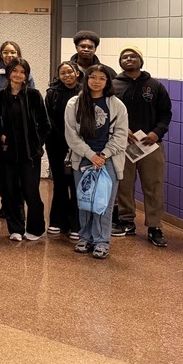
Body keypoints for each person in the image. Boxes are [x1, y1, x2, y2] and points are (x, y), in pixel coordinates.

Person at [64, 65, 128, 259]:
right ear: (86, 79)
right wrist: (91, 155)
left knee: (103, 204)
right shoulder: (74, 103)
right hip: (83, 158)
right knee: (85, 202)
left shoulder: (116, 104)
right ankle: (85, 237)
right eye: (93, 77)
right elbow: (71, 135)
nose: (97, 81)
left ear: (107, 81)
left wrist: (104, 155)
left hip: (107, 160)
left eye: (102, 78)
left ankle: (101, 241)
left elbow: (121, 135)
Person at [112, 46, 173, 247]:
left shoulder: (155, 86)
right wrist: (122, 130)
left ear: (140, 60)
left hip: (150, 146)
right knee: (124, 184)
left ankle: (154, 227)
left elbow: (166, 114)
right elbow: (107, 113)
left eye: (133, 56)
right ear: (120, 62)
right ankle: (126, 221)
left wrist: (157, 133)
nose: (129, 59)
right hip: (123, 144)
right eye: (124, 57)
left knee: (153, 186)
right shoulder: (113, 86)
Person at [0, 58, 50, 242]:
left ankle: (35, 228)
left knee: (31, 191)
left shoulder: (34, 95)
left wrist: (37, 144)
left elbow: (45, 124)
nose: (18, 75)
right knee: (10, 191)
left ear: (27, 75)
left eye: (23, 72)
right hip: (7, 153)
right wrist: (1, 137)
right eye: (15, 71)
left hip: (30, 154)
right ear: (9, 72)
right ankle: (16, 228)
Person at [44, 61, 83, 239]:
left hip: (80, 145)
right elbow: (49, 120)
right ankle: (57, 221)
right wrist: (65, 139)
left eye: (70, 72)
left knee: (76, 183)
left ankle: (76, 223)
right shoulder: (52, 94)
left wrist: (75, 141)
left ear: (77, 72)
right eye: (63, 73)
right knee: (59, 182)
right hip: (57, 144)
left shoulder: (85, 91)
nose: (67, 76)